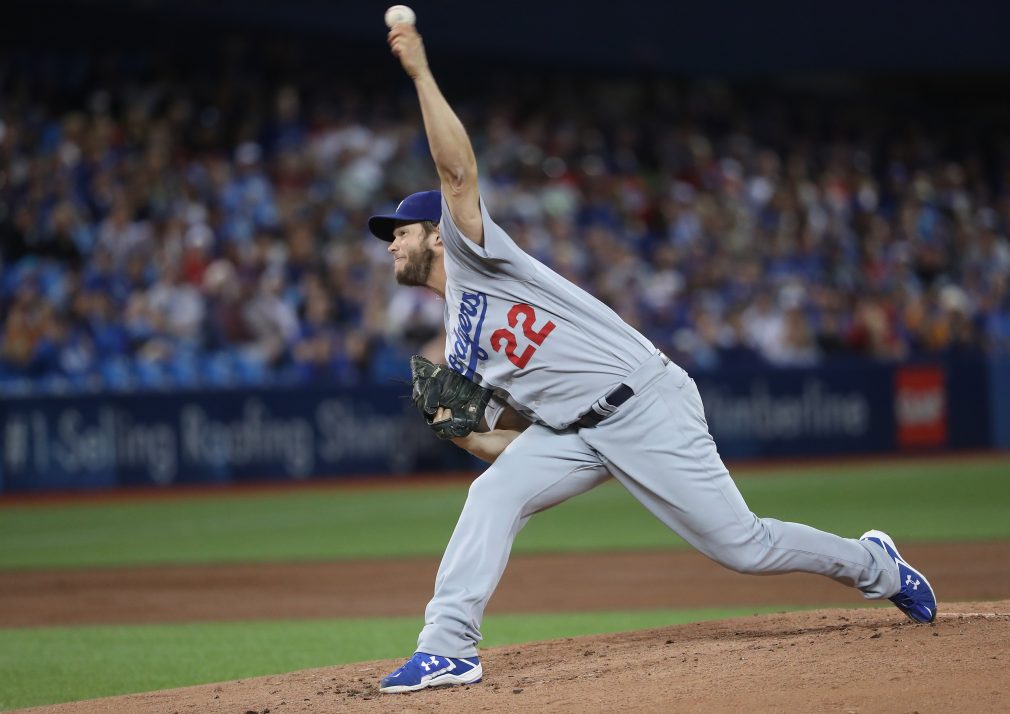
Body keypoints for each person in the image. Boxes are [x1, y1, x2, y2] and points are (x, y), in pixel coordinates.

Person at [370, 20, 937, 695]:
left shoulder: (474, 256)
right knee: (493, 495)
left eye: (399, 233)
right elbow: (504, 447)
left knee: (742, 547)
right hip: (574, 432)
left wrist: (420, 73)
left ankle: (877, 566)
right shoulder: (459, 342)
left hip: (643, 402)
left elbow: (457, 171)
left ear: (436, 235)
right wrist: (462, 433)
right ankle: (448, 647)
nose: (389, 246)